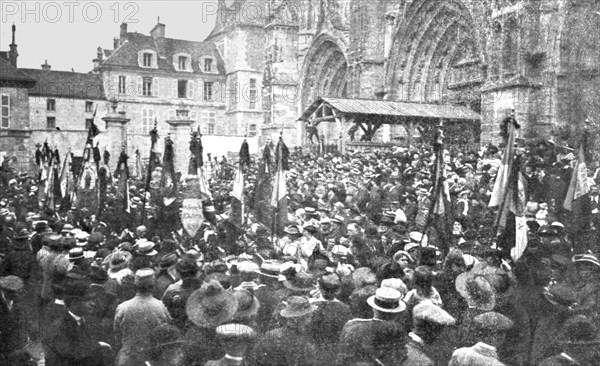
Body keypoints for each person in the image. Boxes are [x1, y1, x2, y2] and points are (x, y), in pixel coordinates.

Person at [42, 278, 112, 366]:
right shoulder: (58, 328)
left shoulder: (91, 322)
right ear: (74, 303)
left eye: (93, 300)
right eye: (88, 300)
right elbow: (69, 354)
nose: (93, 304)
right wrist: (97, 345)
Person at [114, 268, 172, 366]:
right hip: (152, 358)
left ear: (135, 286)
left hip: (128, 359)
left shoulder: (122, 307)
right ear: (153, 286)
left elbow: (117, 335)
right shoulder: (160, 307)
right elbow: (166, 333)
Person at [337, 287, 407, 365]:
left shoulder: (352, 328)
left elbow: (342, 359)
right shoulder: (399, 331)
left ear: (373, 308)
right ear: (396, 313)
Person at [248, 296, 318, 366]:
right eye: (309, 314)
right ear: (305, 318)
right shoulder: (305, 344)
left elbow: (256, 358)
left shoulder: (270, 335)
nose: (311, 316)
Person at [449, 311, 514, 366]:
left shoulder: (460, 353)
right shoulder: (496, 364)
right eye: (501, 334)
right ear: (497, 336)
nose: (503, 337)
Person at [403, 300, 456, 366]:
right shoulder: (425, 362)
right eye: (439, 331)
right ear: (431, 330)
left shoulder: (402, 345)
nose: (439, 336)